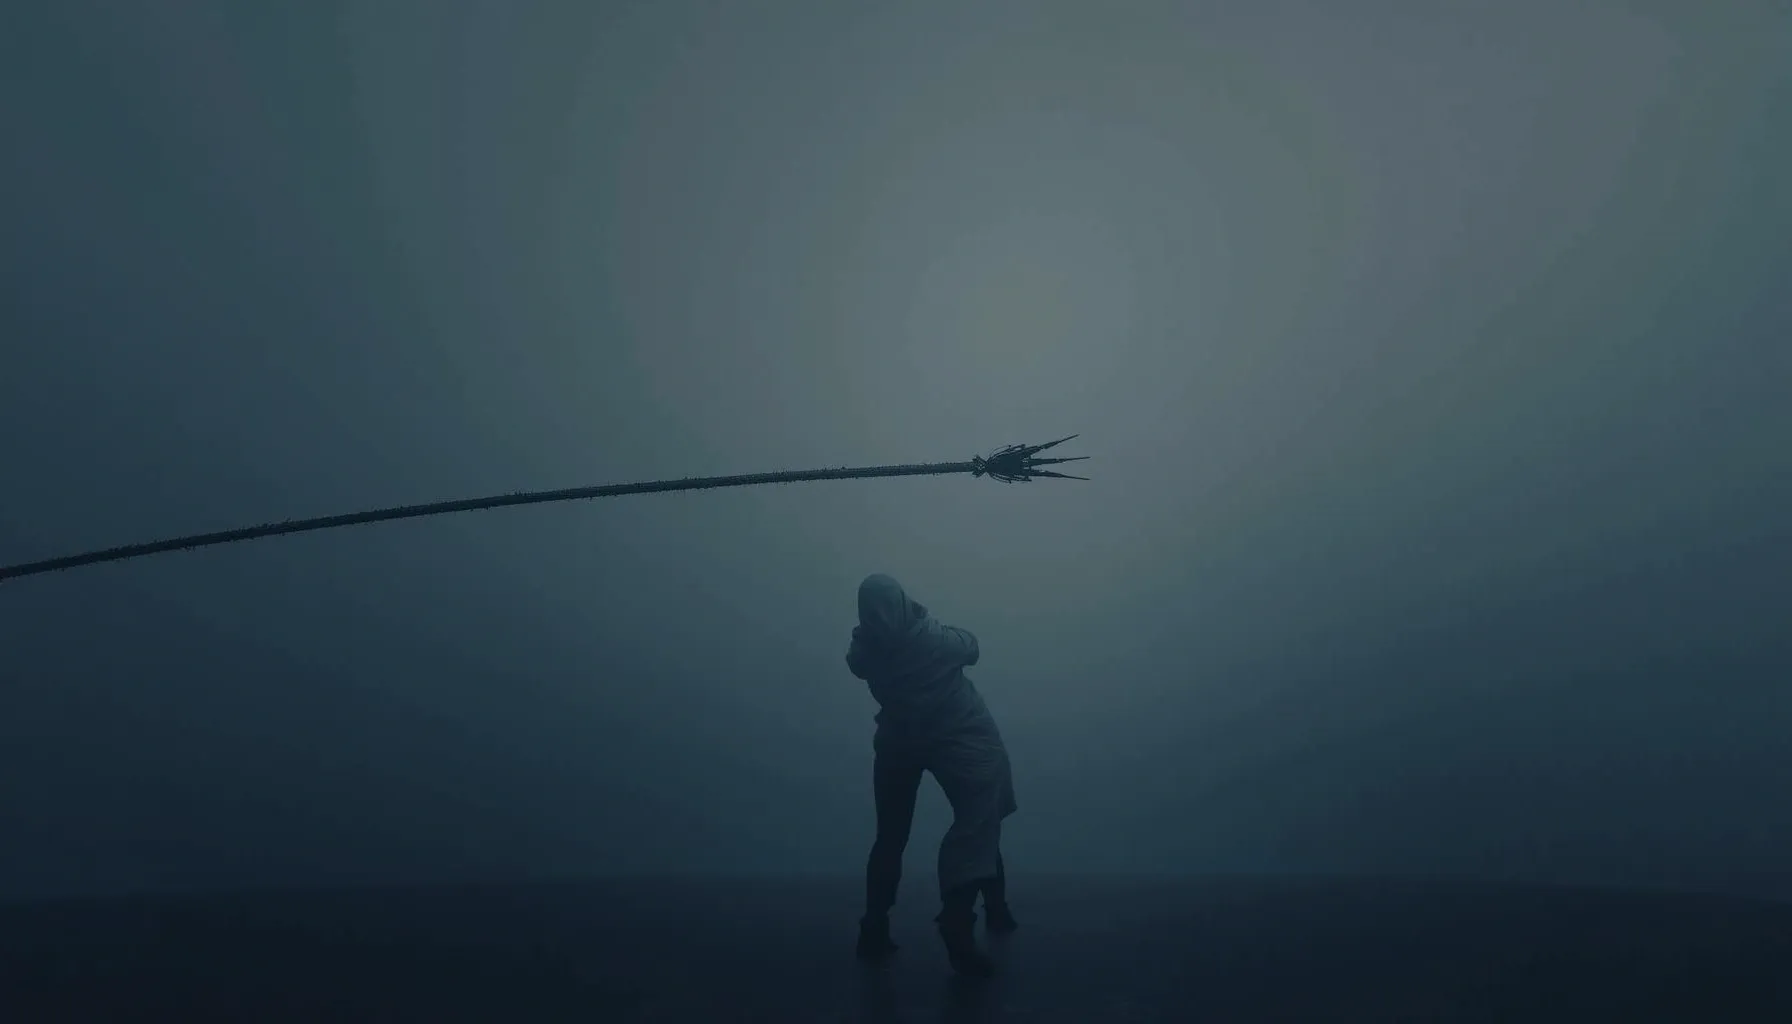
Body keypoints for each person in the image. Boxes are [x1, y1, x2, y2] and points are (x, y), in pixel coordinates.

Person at [845, 573, 1018, 977]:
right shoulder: (932, 639)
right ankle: (967, 917)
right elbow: (971, 646)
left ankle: (874, 926)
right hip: (957, 736)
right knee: (980, 818)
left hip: (898, 740)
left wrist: (867, 630)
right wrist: (924, 617)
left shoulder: (865, 652)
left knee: (890, 836)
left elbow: (859, 659)